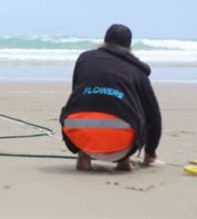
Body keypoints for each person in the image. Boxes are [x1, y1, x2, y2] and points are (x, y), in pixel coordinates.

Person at [60, 24, 162, 171]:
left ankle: (84, 156)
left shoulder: (85, 59)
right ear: (129, 46)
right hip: (122, 144)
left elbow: (76, 92)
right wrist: (150, 152)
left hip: (79, 136)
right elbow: (153, 115)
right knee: (135, 108)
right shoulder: (137, 71)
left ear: (105, 41)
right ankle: (123, 160)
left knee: (82, 103)